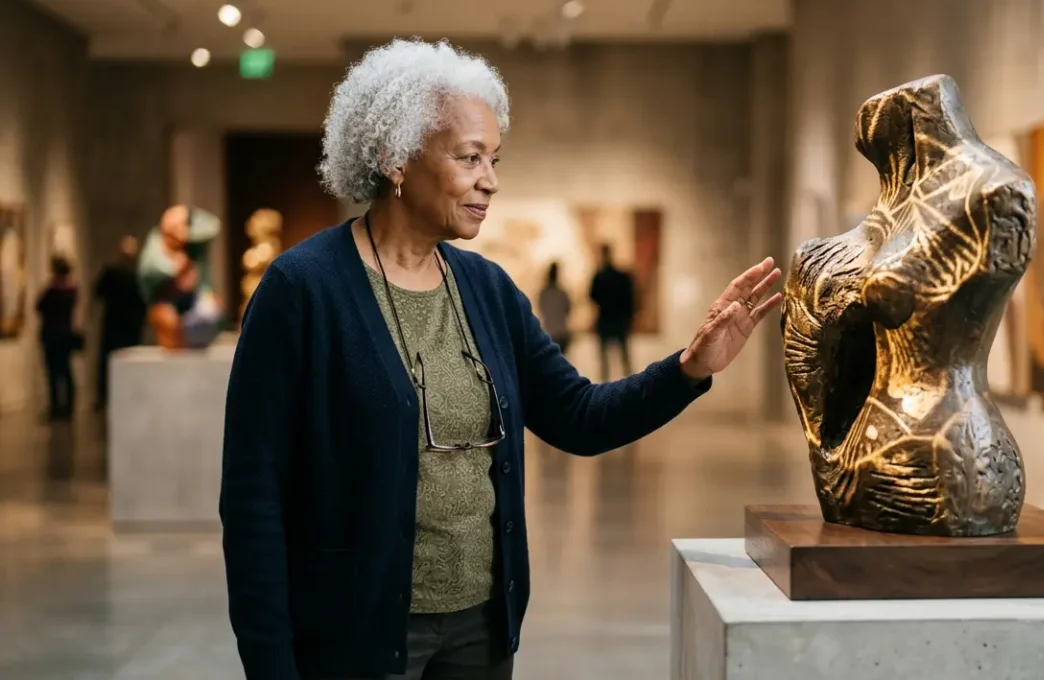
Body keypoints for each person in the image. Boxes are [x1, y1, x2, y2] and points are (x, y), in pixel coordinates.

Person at [219, 38, 782, 680]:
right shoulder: (302, 290)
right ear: (395, 159)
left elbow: (579, 416)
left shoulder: (486, 290)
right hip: (354, 631)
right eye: (469, 158)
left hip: (481, 631)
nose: (491, 179)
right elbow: (252, 497)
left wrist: (689, 367)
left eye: (494, 158)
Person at [137, 204, 224, 349]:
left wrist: (190, 213)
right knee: (168, 320)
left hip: (191, 303)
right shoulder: (156, 248)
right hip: (166, 302)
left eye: (185, 225)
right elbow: (152, 274)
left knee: (211, 310)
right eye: (178, 227)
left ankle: (192, 341)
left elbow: (211, 226)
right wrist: (177, 272)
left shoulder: (192, 249)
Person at [93, 235, 146, 409]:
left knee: (110, 362)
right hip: (128, 326)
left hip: (116, 325)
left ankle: (106, 397)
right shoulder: (137, 276)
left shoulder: (114, 273)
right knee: (123, 363)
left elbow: (97, 293)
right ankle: (125, 394)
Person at [36, 256, 79, 420]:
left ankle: (55, 406)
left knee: (53, 372)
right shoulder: (72, 291)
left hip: (51, 334)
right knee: (66, 370)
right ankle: (69, 407)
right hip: (66, 334)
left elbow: (39, 307)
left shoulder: (52, 291)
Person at [588, 244, 635, 380]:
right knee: (624, 356)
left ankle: (605, 387)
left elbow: (592, 296)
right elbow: (630, 298)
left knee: (604, 360)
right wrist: (629, 317)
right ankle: (630, 385)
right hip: (620, 320)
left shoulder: (599, 276)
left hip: (605, 320)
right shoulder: (622, 276)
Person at [535, 261, 572, 355]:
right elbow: (568, 309)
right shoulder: (562, 293)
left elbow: (541, 309)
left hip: (549, 332)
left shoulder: (543, 294)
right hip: (562, 332)